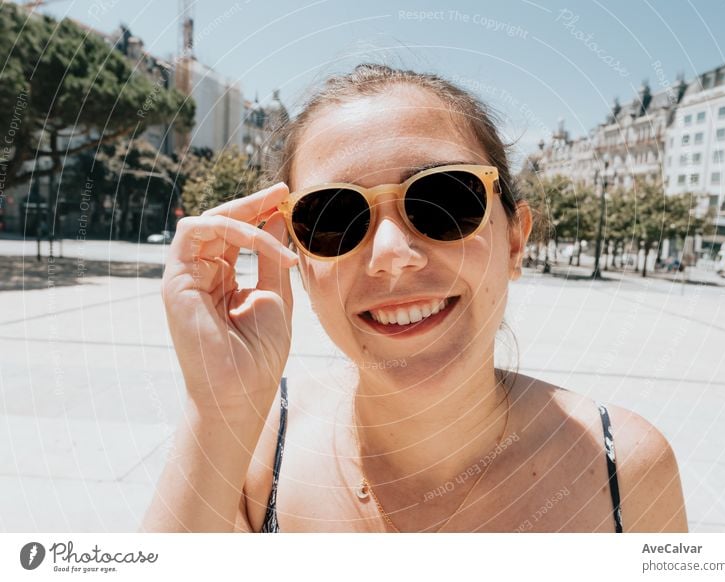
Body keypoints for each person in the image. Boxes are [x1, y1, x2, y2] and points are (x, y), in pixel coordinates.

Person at [141, 63, 688, 533]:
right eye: (333, 218)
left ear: (515, 241)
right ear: (301, 265)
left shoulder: (627, 470)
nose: (391, 252)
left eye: (444, 198)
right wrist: (220, 410)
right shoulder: (256, 452)